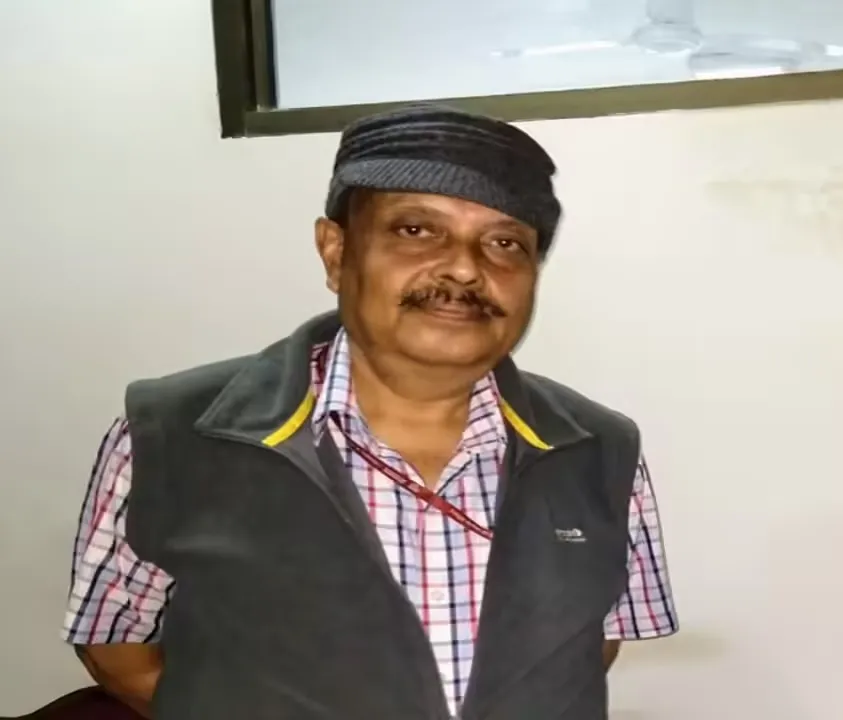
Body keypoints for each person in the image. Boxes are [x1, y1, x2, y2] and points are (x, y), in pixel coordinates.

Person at [61, 105, 679, 719]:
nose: (465, 268)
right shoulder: (174, 437)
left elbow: (588, 650)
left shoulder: (597, 450)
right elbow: (118, 650)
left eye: (504, 243)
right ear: (336, 252)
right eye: (416, 230)